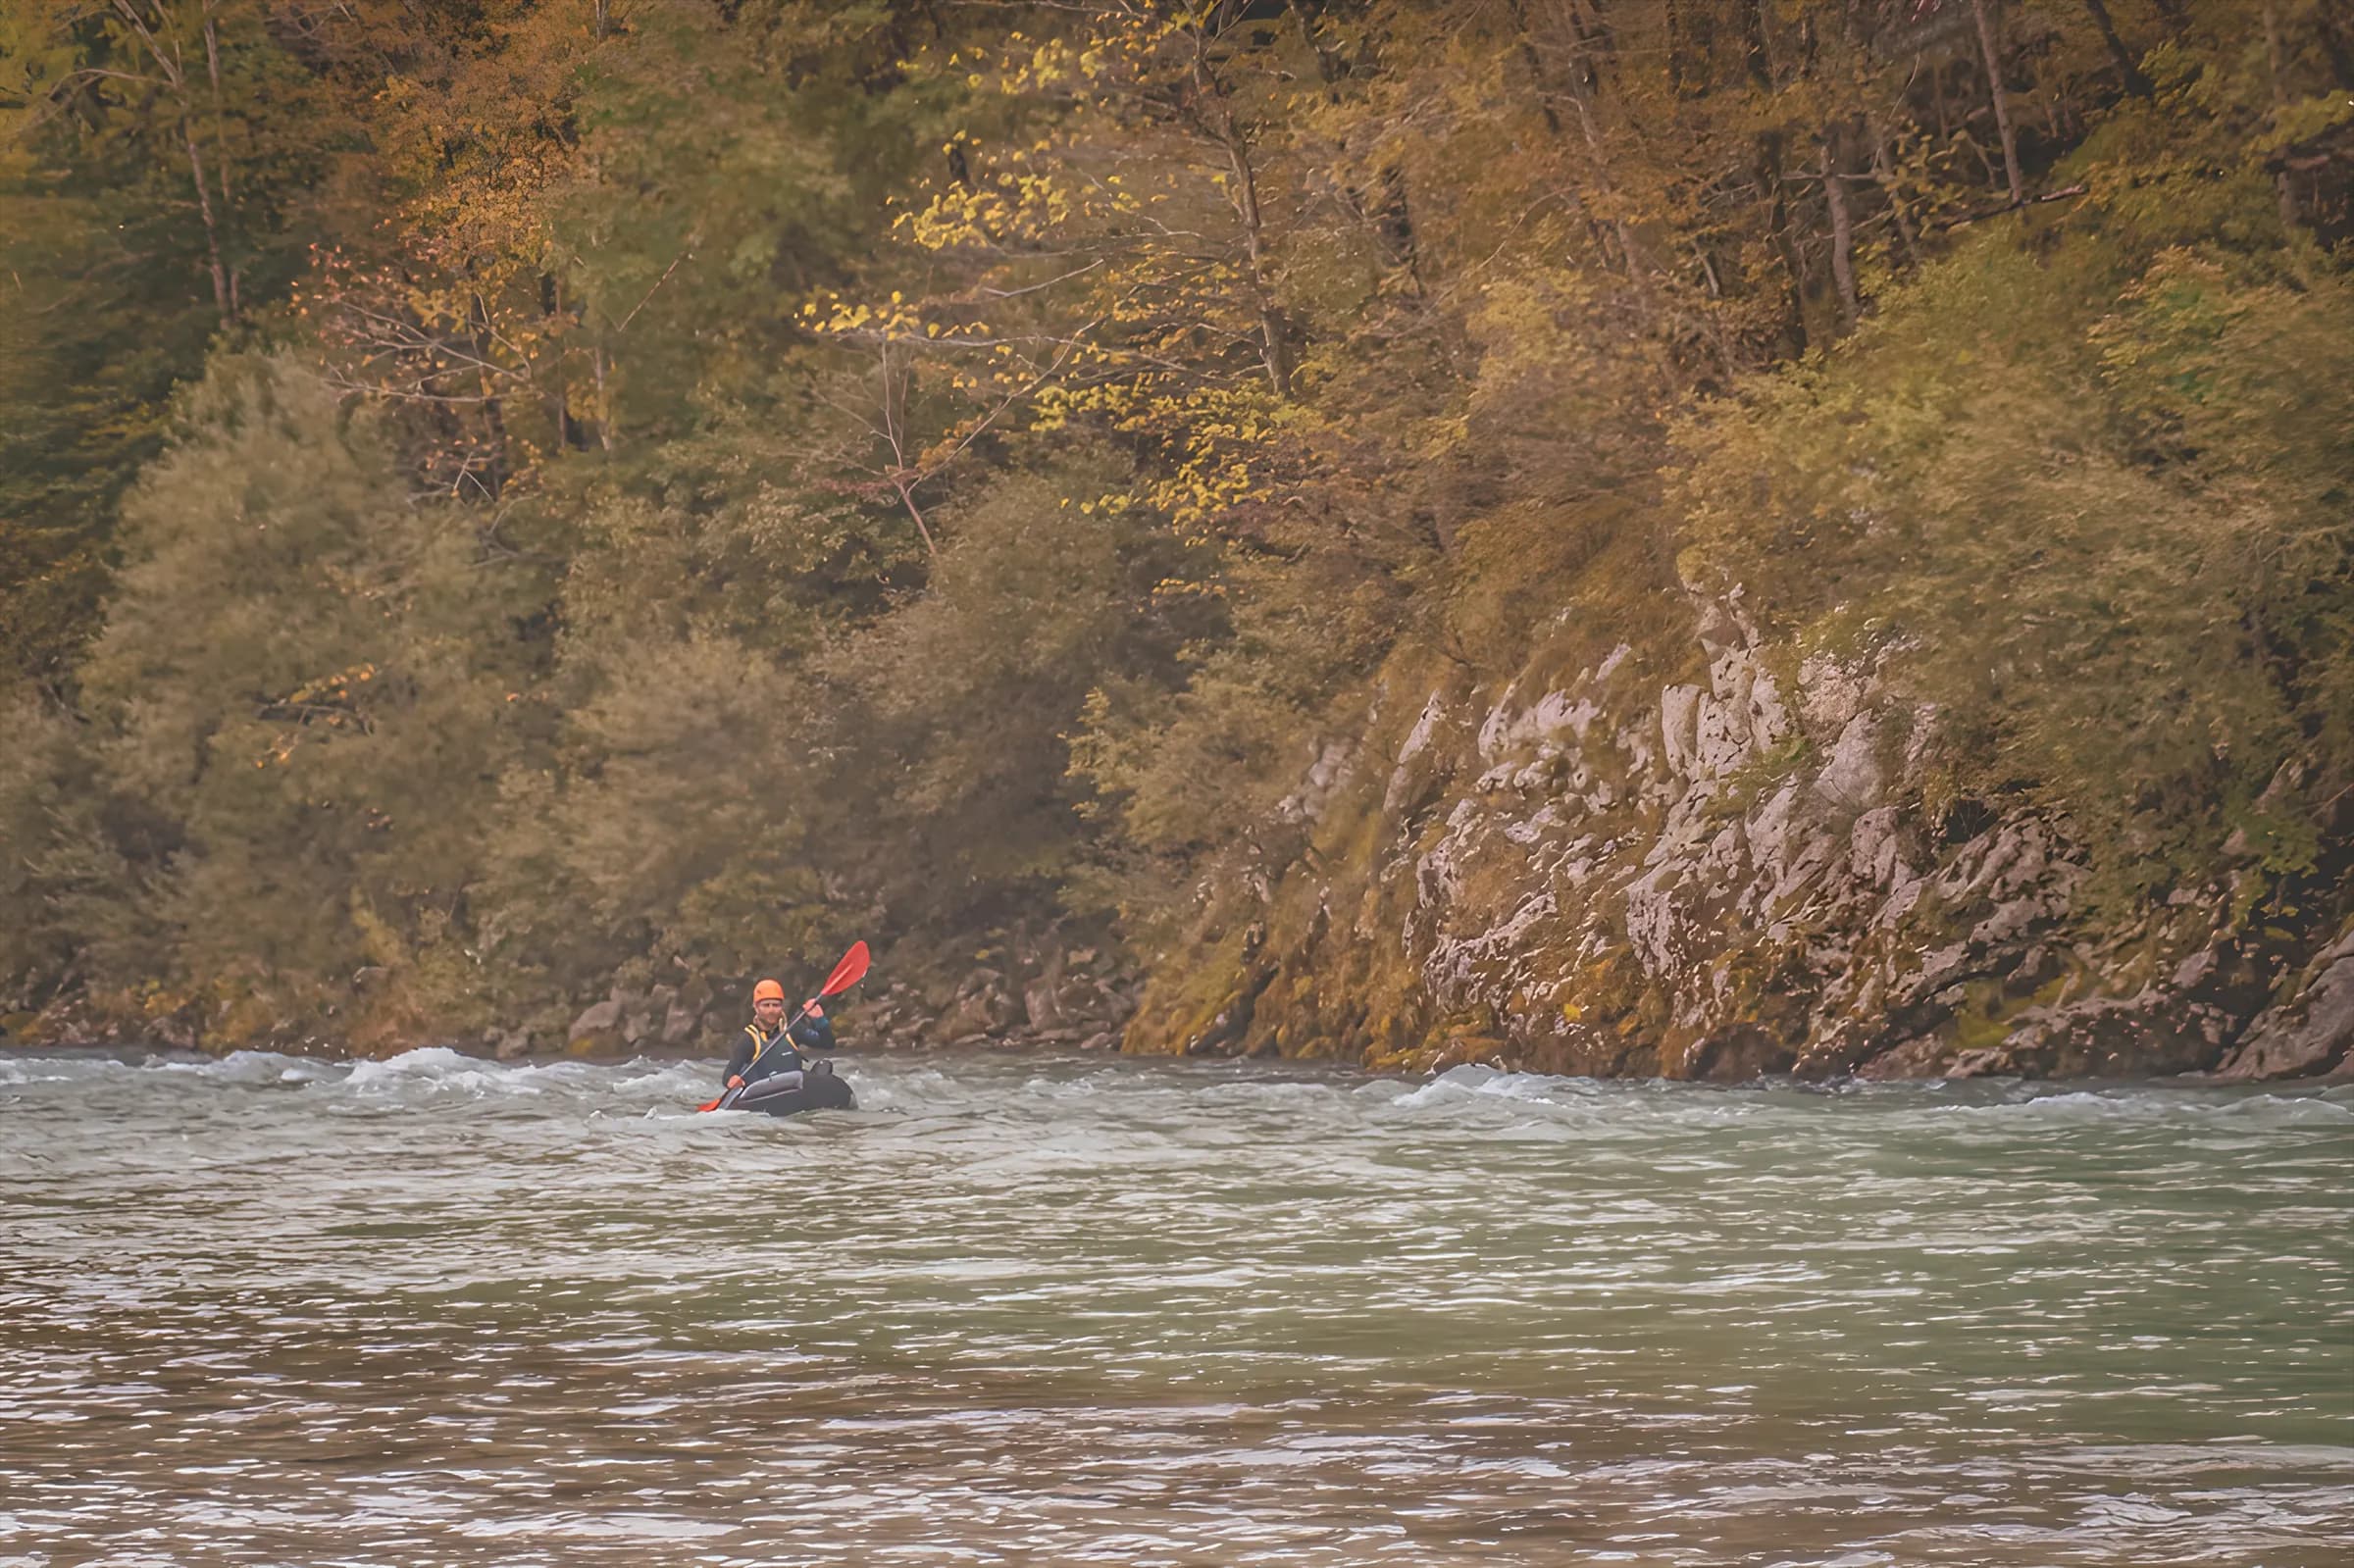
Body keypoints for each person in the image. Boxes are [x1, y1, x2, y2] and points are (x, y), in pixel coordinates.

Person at [722, 977, 837, 1098]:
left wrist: (819, 1020)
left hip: (794, 1091)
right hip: (764, 1097)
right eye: (766, 1005)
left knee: (824, 1066)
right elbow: (728, 1074)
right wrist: (732, 1080)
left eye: (776, 1005)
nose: (771, 1010)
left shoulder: (793, 1030)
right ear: (756, 1007)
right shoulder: (748, 1039)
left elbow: (828, 1043)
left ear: (782, 1006)